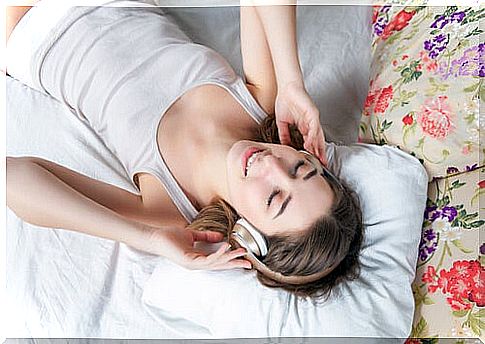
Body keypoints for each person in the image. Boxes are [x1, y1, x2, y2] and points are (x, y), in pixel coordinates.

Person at [6, 0, 364, 299]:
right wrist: (290, 80)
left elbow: (13, 178)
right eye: (299, 169)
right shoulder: (260, 100)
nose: (270, 164)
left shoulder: (169, 208)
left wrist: (148, 239)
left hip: (24, 31)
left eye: (273, 198)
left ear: (248, 237)